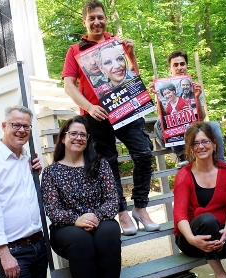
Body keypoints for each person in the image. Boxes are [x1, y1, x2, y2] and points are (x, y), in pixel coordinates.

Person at [62, 0, 158, 236]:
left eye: (100, 17)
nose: (96, 21)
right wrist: (88, 106)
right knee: (109, 163)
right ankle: (122, 211)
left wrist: (131, 53)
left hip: (125, 108)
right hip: (96, 116)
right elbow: (68, 86)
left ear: (106, 19)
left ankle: (140, 207)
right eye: (91, 18)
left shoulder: (117, 43)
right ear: (84, 22)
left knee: (144, 153)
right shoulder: (76, 50)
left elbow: (131, 76)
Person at [41, 116, 120, 278]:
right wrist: (76, 219)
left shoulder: (100, 165)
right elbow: (53, 210)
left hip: (100, 220)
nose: (78, 138)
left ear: (88, 139)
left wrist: (95, 216)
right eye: (73, 134)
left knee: (109, 233)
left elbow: (112, 200)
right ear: (63, 138)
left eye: (83, 135)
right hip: (66, 227)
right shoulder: (51, 173)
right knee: (80, 239)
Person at [173, 122, 226, 278]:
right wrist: (192, 239)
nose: (201, 146)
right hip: (192, 237)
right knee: (207, 219)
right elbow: (179, 214)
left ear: (214, 143)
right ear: (190, 148)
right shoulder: (184, 175)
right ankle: (220, 275)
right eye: (196, 143)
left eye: (205, 141)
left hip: (222, 231)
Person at [0, 105, 48, 278]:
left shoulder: (27, 159)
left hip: (38, 245)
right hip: (13, 252)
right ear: (3, 125)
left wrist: (37, 173)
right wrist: (4, 254)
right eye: (16, 125)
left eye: (26, 126)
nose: (21, 130)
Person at [149, 51, 226, 167]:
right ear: (170, 68)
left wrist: (196, 97)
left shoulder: (194, 87)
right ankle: (182, 154)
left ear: (186, 66)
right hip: (174, 131)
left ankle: (220, 161)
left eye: (182, 64)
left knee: (214, 125)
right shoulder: (163, 88)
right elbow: (162, 117)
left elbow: (202, 116)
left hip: (193, 127)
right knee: (159, 123)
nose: (180, 67)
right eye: (176, 65)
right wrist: (158, 97)